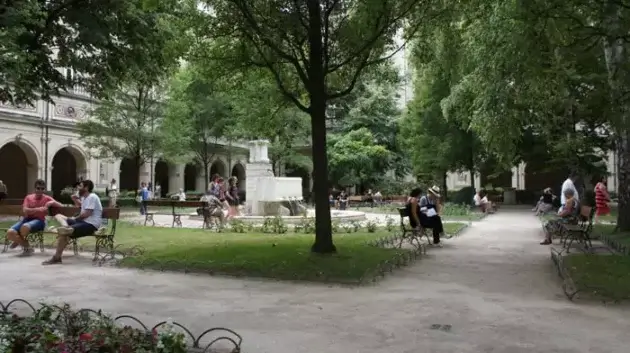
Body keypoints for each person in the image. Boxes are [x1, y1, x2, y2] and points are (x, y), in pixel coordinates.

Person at [43, 179, 103, 265]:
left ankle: (57, 257)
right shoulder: (85, 198)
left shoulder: (92, 196)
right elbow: (81, 206)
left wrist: (75, 219)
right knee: (58, 215)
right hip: (82, 223)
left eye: (80, 186)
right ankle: (66, 227)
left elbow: (87, 213)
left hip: (90, 225)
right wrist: (74, 199)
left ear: (86, 187)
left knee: (64, 233)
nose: (78, 188)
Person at [6, 179, 63, 255]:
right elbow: (25, 210)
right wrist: (39, 209)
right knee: (10, 233)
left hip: (40, 221)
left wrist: (53, 202)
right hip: (26, 219)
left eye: (42, 189)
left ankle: (19, 242)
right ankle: (27, 246)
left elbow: (61, 206)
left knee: (25, 227)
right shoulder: (29, 197)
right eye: (38, 188)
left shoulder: (47, 198)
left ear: (44, 189)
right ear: (35, 189)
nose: (40, 190)